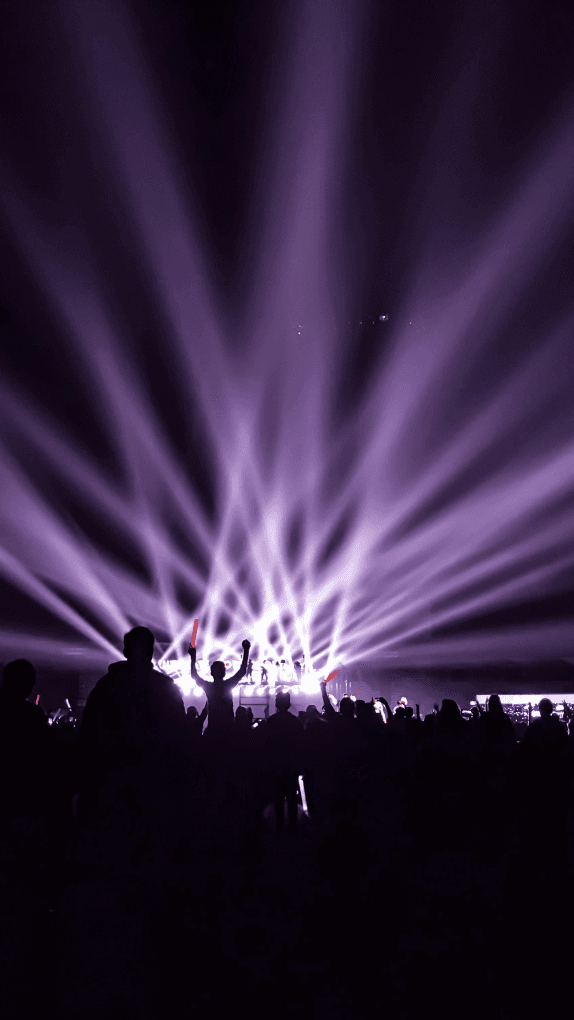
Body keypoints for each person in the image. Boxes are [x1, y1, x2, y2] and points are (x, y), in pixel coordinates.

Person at [77, 626, 188, 879]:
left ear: (126, 650)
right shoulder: (165, 688)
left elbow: (89, 736)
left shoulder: (106, 686)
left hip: (112, 782)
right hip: (155, 784)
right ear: (150, 652)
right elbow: (180, 738)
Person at [259, 691, 304, 834]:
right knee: (291, 798)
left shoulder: (271, 721)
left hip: (276, 765)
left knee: (277, 798)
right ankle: (292, 827)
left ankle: (279, 826)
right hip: (291, 765)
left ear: (277, 703)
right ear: (289, 703)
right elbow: (300, 745)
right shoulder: (295, 722)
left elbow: (265, 745)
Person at [189, 639, 251, 732]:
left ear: (211, 673)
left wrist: (193, 658)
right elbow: (242, 671)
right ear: (224, 673)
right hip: (228, 729)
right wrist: (246, 650)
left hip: (213, 729)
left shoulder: (209, 687)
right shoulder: (228, 685)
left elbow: (194, 675)